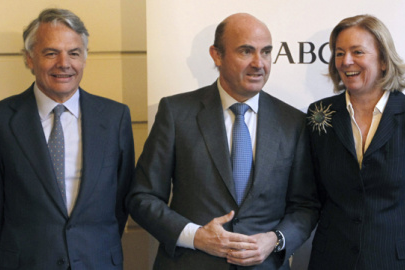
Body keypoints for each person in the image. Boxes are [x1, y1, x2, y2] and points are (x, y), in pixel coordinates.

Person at [126, 13, 319, 269]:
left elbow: (305, 205)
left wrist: (275, 240)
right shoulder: (176, 113)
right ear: (217, 55)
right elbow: (142, 197)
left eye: (266, 52)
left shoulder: (293, 122)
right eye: (246, 51)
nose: (259, 63)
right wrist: (196, 236)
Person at [0, 8, 134, 270]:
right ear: (29, 59)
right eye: (51, 53)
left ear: (84, 58)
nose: (64, 63)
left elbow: (122, 198)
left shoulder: (116, 116)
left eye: (74, 53)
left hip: (98, 262)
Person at [306, 14, 405, 270]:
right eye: (339, 53)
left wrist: (403, 243)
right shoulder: (319, 114)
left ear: (383, 60)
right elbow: (313, 194)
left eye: (357, 51)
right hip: (333, 259)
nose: (346, 61)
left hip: (401, 261)